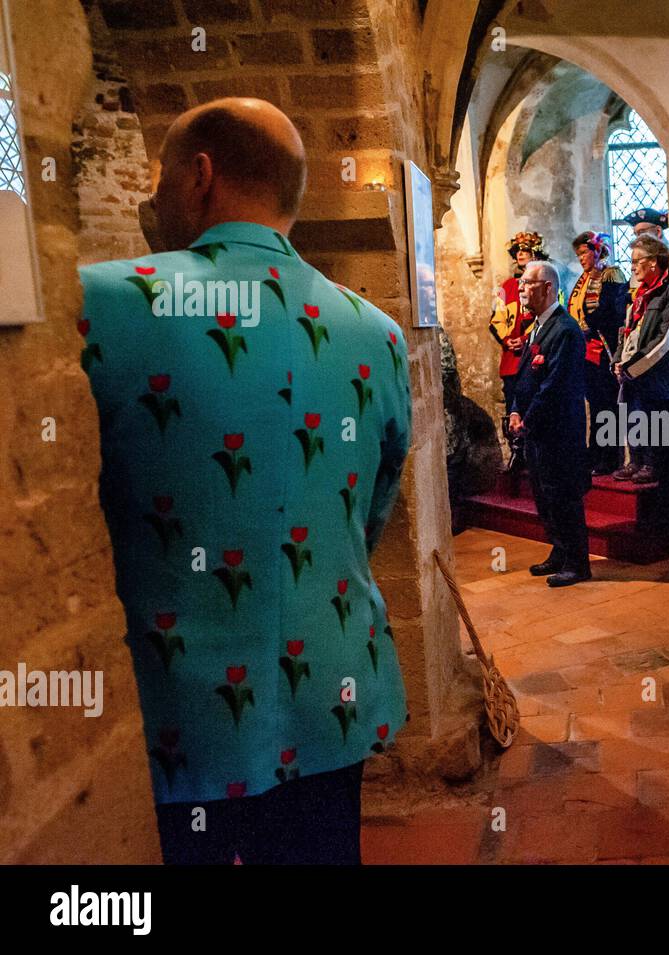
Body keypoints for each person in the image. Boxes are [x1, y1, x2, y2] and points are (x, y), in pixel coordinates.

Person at [76, 98, 412, 864]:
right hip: (331, 688)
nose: (150, 201)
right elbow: (370, 510)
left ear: (198, 177)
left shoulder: (102, 303)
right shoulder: (376, 331)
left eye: (158, 180)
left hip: (179, 709)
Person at [510, 260, 593, 587]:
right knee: (545, 496)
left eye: (528, 283)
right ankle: (559, 552)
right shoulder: (539, 327)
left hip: (559, 431)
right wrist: (516, 410)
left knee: (563, 495)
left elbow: (555, 385)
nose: (521, 289)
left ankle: (578, 562)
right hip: (537, 430)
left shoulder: (566, 330)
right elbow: (527, 378)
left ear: (547, 287)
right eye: (521, 283)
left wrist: (526, 420)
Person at [612, 235, 669, 535]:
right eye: (631, 261)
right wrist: (618, 362)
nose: (632, 267)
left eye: (637, 261)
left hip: (662, 385)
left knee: (665, 457)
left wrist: (634, 368)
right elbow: (627, 332)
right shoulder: (638, 295)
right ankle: (639, 463)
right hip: (635, 382)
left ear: (655, 261)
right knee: (636, 430)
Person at [569, 231, 628, 475]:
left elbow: (612, 311)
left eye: (584, 253)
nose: (581, 258)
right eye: (579, 254)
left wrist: (589, 324)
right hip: (585, 350)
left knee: (607, 404)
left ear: (597, 251)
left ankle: (609, 457)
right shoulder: (582, 280)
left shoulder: (611, 275)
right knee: (594, 404)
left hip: (604, 347)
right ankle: (594, 455)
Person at [488, 231, 546, 471]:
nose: (521, 254)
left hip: (533, 356)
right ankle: (517, 452)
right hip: (511, 359)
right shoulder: (507, 287)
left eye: (526, 250)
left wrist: (524, 339)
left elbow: (546, 316)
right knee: (512, 404)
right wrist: (506, 340)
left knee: (535, 404)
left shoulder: (544, 284)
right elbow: (496, 318)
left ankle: (539, 452)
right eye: (518, 251)